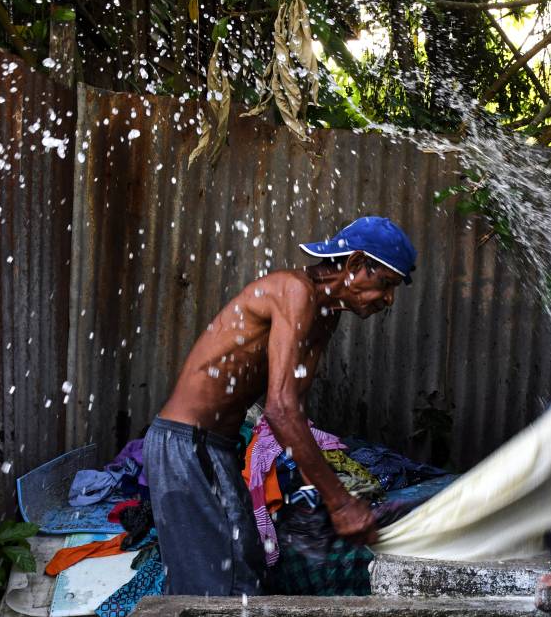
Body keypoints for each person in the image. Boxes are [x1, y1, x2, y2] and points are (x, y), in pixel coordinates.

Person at [143, 216, 417, 596]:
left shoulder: (325, 315)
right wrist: (339, 503)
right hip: (187, 446)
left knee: (246, 569)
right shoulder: (295, 291)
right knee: (214, 590)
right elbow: (280, 409)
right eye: (386, 283)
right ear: (355, 265)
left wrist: (314, 494)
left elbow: (293, 413)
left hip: (214, 449)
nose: (388, 299)